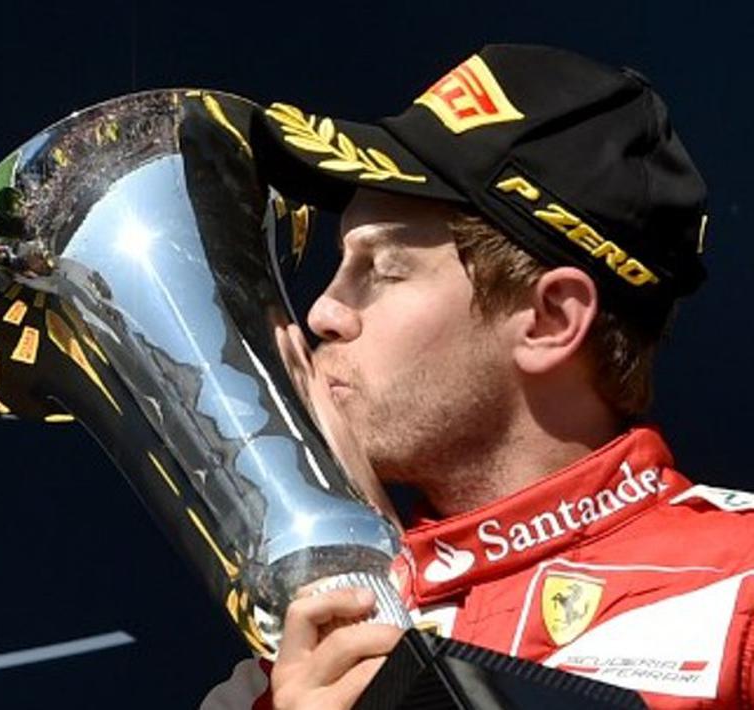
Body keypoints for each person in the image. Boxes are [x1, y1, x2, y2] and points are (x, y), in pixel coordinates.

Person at [201, 44, 754, 709]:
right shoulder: (301, 656)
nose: (321, 310)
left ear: (549, 318)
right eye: (340, 263)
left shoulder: (737, 583)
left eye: (384, 270)